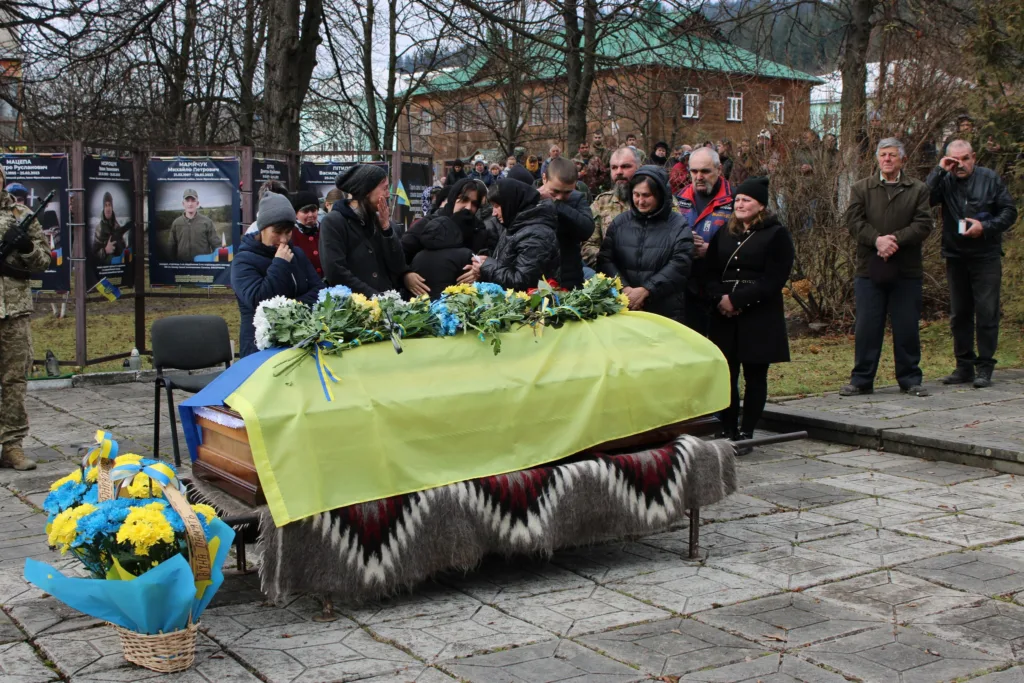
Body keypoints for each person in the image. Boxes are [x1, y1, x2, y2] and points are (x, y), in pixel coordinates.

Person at [703, 176, 794, 448]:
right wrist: (721, 298)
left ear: (761, 206)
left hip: (759, 313)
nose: (740, 204)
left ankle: (747, 431)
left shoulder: (777, 234)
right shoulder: (724, 232)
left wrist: (738, 300)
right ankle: (728, 428)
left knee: (755, 374)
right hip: (724, 313)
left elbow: (775, 278)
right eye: (738, 200)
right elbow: (708, 272)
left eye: (747, 200)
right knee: (726, 373)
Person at [841, 138, 933, 397]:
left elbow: (924, 223)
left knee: (906, 326)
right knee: (868, 327)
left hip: (906, 269)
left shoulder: (918, 189)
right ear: (877, 159)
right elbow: (853, 221)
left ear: (902, 159)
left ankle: (910, 379)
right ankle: (861, 379)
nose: (887, 159)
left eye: (892, 155)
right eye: (883, 155)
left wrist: (895, 240)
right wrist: (876, 240)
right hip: (870, 268)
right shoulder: (862, 188)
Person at [927, 140, 1018, 388]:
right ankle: (963, 365)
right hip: (956, 255)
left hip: (985, 255)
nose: (961, 165)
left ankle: (985, 366)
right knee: (960, 313)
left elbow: (1009, 211)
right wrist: (938, 171)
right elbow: (923, 199)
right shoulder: (944, 180)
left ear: (974, 157)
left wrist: (985, 228)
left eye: (965, 159)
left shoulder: (990, 178)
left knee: (987, 312)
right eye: (954, 160)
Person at [0, 167, 51, 470]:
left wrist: (27, 248)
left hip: (14, 312)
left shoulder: (21, 215)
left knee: (14, 381)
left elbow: (43, 260)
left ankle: (13, 447)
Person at [232, 193, 324, 357]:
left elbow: (319, 290)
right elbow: (260, 301)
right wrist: (280, 264)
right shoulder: (243, 261)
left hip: (300, 343)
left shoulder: (296, 253)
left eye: (288, 232)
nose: (283, 240)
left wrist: (291, 308)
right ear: (262, 228)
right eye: (277, 232)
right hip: (260, 349)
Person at [596, 166, 692, 322]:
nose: (640, 201)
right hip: (624, 307)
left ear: (660, 195)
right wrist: (625, 289)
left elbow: (681, 264)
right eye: (636, 194)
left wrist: (647, 290)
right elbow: (605, 260)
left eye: (647, 195)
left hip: (664, 310)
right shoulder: (620, 223)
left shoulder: (678, 225)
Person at [319, 163, 428, 297]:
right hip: (353, 308)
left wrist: (387, 230)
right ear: (367, 190)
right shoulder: (334, 222)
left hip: (386, 304)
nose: (388, 194)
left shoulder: (382, 222)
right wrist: (374, 297)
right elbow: (335, 271)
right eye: (385, 188)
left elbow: (398, 266)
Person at [675, 147, 733, 335]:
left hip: (722, 289)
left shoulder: (736, 199)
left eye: (705, 171)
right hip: (686, 288)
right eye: (694, 171)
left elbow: (749, 244)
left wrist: (713, 250)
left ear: (719, 170)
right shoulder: (678, 199)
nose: (699, 176)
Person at [462, 179, 559, 290]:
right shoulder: (515, 224)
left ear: (511, 202)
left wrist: (487, 267)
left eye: (497, 206)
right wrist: (483, 266)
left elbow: (522, 282)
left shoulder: (536, 235)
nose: (494, 213)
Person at [403, 178, 486, 298]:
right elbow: (401, 253)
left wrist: (478, 272)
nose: (468, 207)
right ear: (453, 198)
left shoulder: (479, 230)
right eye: (464, 200)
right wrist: (406, 275)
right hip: (424, 299)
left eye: (474, 204)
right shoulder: (428, 224)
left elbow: (487, 260)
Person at [537, 158, 595, 289]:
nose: (561, 197)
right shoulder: (530, 197)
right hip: (538, 276)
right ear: (544, 178)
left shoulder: (577, 198)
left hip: (569, 277)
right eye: (555, 191)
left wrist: (557, 204)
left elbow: (587, 229)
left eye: (567, 192)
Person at [167, 188, 220, 262]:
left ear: (197, 203)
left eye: (193, 200)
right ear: (183, 203)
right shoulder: (176, 223)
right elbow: (171, 248)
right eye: (187, 201)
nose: (190, 204)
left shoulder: (207, 222)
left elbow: (216, 245)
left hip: (203, 266)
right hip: (182, 267)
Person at [289, 190, 324, 278]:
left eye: (313, 210)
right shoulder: (290, 234)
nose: (310, 215)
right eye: (305, 211)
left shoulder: (325, 229)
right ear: (296, 214)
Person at [93, 192, 127, 266]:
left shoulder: (117, 226)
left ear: (112, 207)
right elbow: (94, 255)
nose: (108, 208)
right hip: (104, 269)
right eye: (106, 205)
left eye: (109, 205)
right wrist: (105, 250)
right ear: (103, 208)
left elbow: (123, 248)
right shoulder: (99, 229)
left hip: (118, 267)